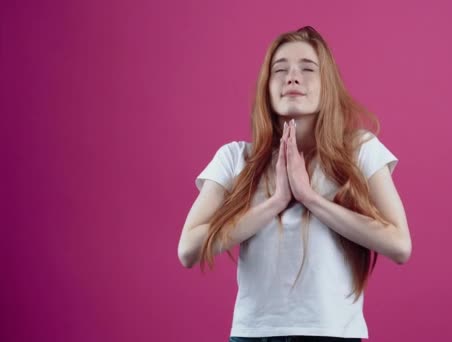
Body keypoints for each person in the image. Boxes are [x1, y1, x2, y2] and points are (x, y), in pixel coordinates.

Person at [177, 26, 412, 342]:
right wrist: (275, 203)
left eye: (307, 68)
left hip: (332, 335)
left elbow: (399, 245)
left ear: (326, 85)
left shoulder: (361, 149)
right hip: (253, 335)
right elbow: (188, 249)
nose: (292, 77)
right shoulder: (234, 157)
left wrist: (310, 198)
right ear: (267, 87)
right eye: (280, 69)